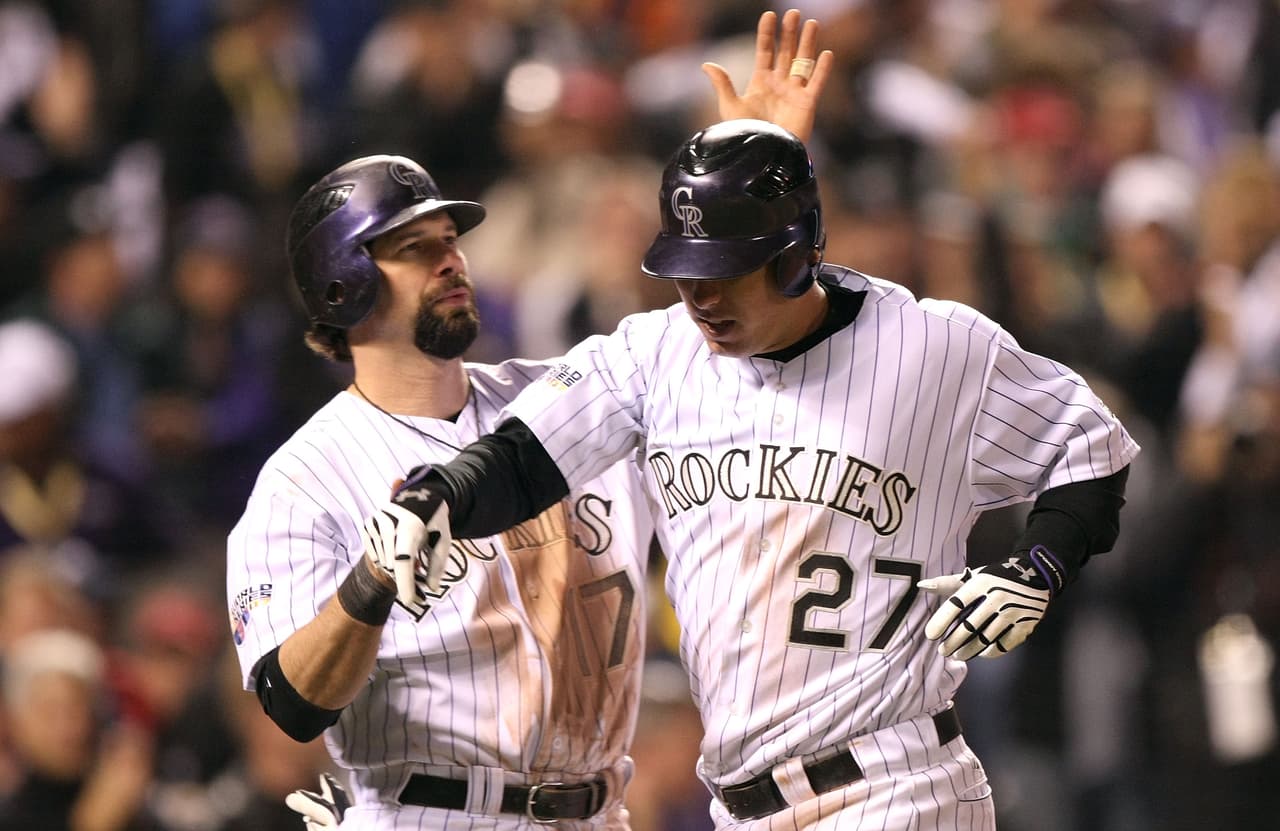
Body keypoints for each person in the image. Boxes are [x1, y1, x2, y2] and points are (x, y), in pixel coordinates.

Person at [370, 117, 1140, 829]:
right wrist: (436, 495)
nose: (701, 294)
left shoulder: (936, 346)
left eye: (728, 270)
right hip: (739, 802)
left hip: (895, 783)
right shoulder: (653, 351)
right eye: (685, 268)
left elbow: (1089, 446)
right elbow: (521, 456)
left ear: (798, 253)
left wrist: (1037, 566)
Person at [227, 10, 833, 829]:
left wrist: (758, 165)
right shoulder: (305, 477)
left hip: (601, 810)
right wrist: (369, 585)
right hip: (434, 813)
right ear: (343, 285)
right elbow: (291, 700)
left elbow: (751, 342)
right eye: (414, 247)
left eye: (452, 237)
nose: (453, 257)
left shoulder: (568, 397)